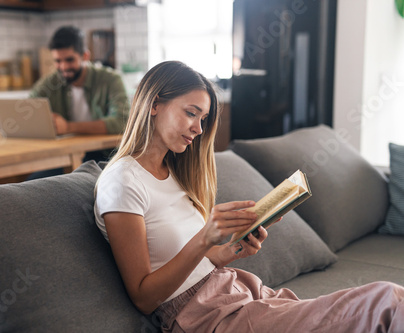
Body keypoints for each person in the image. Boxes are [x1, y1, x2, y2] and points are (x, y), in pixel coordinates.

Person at [94, 61, 404, 332]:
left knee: (390, 304)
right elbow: (144, 297)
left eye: (202, 118)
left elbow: (188, 260)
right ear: (154, 104)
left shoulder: (172, 171)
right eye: (191, 113)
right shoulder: (122, 182)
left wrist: (227, 252)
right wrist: (204, 238)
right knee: (386, 302)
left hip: (236, 289)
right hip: (206, 316)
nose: (199, 129)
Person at [28, 25, 129, 178]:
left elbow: (122, 122)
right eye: (57, 61)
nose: (63, 67)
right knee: (32, 183)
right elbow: (28, 107)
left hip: (105, 157)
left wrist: (68, 127)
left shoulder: (111, 79)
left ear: (85, 56)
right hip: (65, 156)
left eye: (69, 60)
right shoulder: (52, 81)